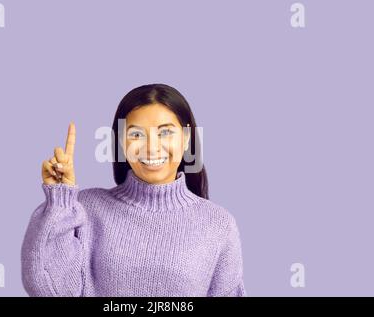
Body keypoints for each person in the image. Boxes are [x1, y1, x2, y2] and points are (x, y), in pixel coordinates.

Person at [21, 83, 246, 296]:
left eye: (165, 132)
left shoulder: (218, 224)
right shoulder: (86, 209)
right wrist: (60, 201)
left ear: (186, 139)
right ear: (121, 142)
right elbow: (47, 290)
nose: (152, 147)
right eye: (136, 134)